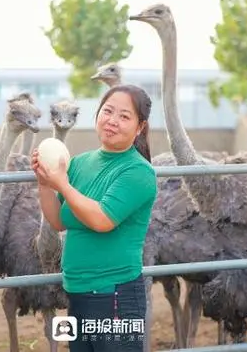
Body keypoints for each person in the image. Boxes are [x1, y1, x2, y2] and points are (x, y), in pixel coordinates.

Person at [32, 84, 157, 352]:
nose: (112, 120)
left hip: (115, 297)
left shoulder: (139, 172)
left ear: (139, 127)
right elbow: (59, 221)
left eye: (124, 116)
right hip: (77, 292)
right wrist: (45, 183)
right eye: (108, 111)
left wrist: (62, 184)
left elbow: (102, 220)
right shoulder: (79, 163)